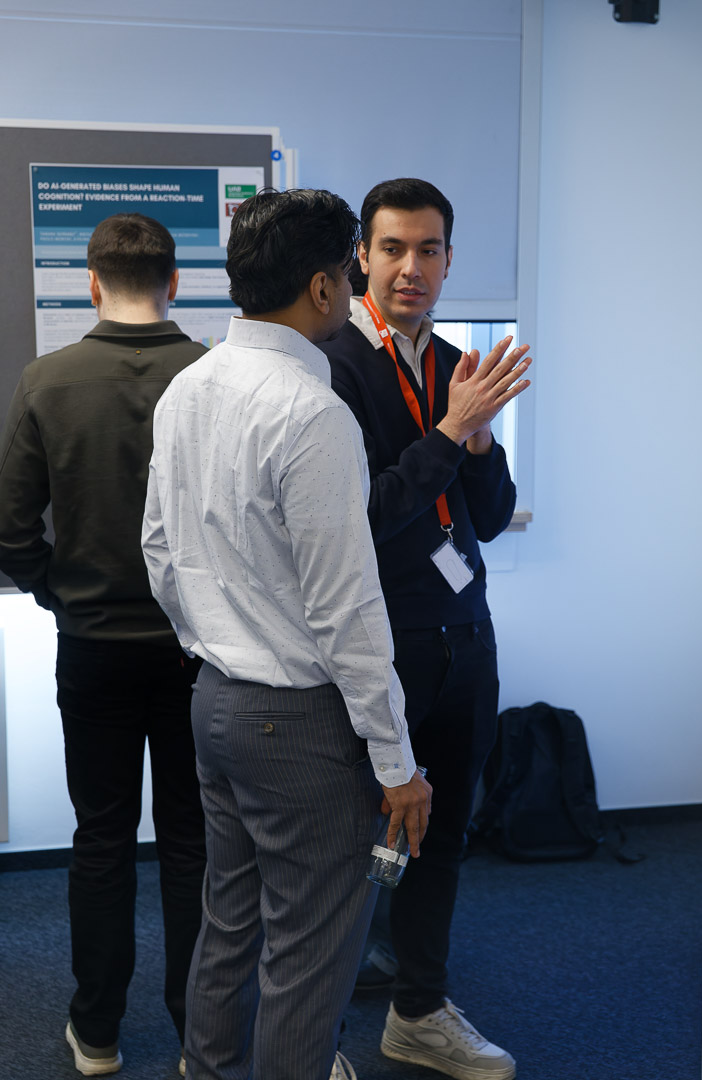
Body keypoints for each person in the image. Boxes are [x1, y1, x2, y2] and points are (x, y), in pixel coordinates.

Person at [141, 188, 432, 1080]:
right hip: (299, 728)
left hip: (215, 703)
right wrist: (397, 764)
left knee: (229, 924)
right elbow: (347, 612)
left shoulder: (189, 387)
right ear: (322, 286)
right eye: (352, 267)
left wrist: (212, 640)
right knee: (310, 959)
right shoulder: (312, 413)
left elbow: (158, 550)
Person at [322, 178, 532, 1080]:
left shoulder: (455, 362)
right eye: (394, 248)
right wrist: (450, 429)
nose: (412, 267)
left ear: (449, 260)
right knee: (349, 850)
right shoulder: (331, 364)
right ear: (361, 258)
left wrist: (477, 441)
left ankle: (417, 1012)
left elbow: (489, 518)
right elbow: (366, 517)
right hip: (378, 644)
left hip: (463, 637)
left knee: (440, 839)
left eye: (430, 249)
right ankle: (315, 1037)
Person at [0, 213, 207, 1077]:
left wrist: (61, 593)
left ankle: (97, 1033)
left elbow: (11, 532)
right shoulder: (212, 374)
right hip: (200, 652)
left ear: (91, 283)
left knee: (101, 840)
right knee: (195, 843)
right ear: (175, 282)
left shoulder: (45, 380)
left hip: (92, 647)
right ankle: (202, 1034)